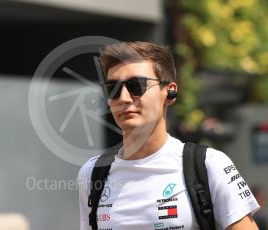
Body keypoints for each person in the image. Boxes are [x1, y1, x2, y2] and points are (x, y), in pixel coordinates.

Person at [78, 41, 260, 230]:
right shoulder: (92, 173)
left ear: (169, 92)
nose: (123, 98)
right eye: (112, 89)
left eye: (136, 86)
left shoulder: (209, 165)